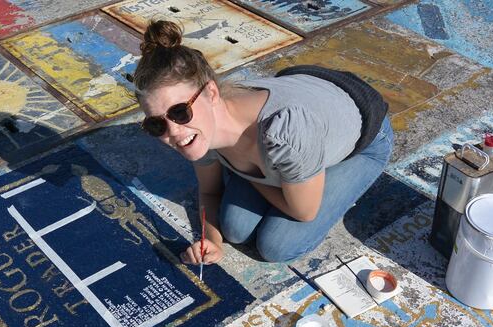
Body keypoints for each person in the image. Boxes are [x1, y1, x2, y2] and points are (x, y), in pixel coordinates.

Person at [132, 20, 392, 264]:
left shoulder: (285, 133)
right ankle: (286, 175)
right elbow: (210, 192)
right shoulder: (198, 131)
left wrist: (245, 171)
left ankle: (309, 170)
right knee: (234, 229)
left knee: (277, 245)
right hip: (305, 96)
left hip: (364, 130)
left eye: (180, 111)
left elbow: (304, 212)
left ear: (211, 92)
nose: (174, 131)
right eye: (156, 124)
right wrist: (212, 240)